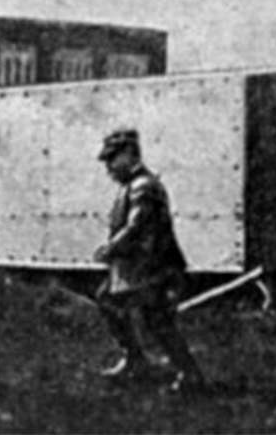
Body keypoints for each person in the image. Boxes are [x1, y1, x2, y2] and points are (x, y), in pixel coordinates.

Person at [93, 129, 206, 393]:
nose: (109, 167)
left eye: (113, 159)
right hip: (137, 269)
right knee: (109, 301)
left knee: (158, 321)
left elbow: (136, 227)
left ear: (129, 154)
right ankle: (135, 360)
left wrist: (111, 248)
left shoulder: (143, 186)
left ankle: (189, 375)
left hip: (154, 268)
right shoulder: (132, 185)